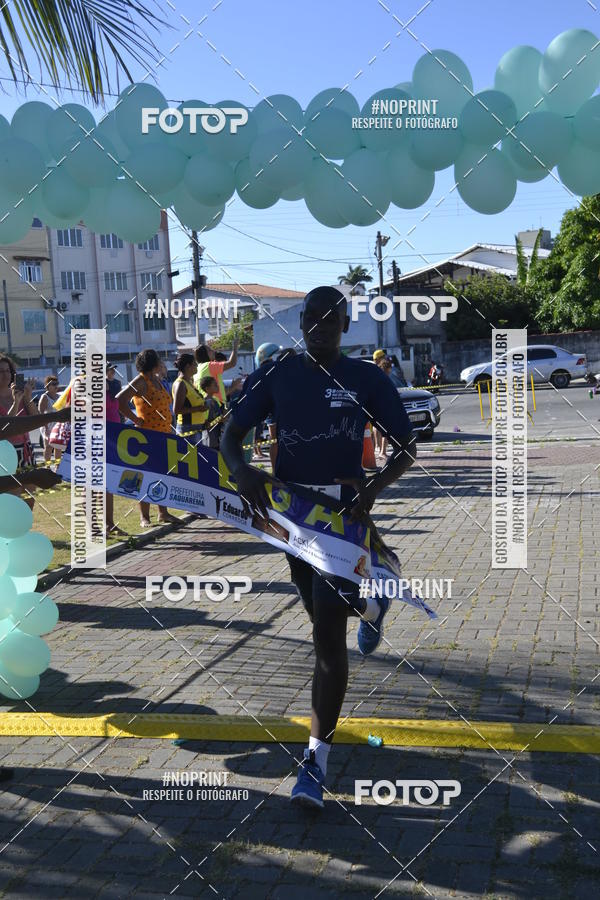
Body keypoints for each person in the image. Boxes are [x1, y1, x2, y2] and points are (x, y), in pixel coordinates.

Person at [221, 285, 416, 809]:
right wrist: (242, 471)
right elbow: (229, 436)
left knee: (327, 636)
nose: (321, 327)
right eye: (312, 318)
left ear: (346, 325)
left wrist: (372, 490)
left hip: (343, 519)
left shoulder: (366, 378)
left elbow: (406, 448)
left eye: (332, 319)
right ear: (301, 321)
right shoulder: (278, 373)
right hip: (290, 520)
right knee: (320, 613)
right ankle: (373, 606)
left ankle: (314, 764)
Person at [117, 349, 179, 528]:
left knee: (162, 475)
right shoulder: (141, 381)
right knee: (144, 476)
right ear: (153, 363)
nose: (161, 362)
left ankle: (163, 512)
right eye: (158, 360)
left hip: (164, 435)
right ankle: (144, 516)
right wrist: (135, 419)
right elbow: (120, 400)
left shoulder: (157, 380)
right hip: (147, 437)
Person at [0, 356, 38, 469]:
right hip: (4, 452)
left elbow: (36, 418)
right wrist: (16, 402)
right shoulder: (17, 396)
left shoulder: (19, 394)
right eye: (1, 371)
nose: (6, 375)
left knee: (31, 481)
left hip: (26, 449)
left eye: (8, 371)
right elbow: (5, 425)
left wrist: (27, 396)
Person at [171, 353, 208, 445]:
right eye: (194, 364)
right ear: (188, 366)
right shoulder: (180, 384)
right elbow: (177, 410)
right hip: (187, 428)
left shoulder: (190, 382)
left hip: (197, 427)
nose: (197, 366)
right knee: (190, 454)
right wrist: (199, 409)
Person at [194, 339, 240, 407]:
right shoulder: (209, 365)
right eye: (210, 350)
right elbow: (232, 363)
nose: (213, 351)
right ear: (204, 354)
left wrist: (233, 387)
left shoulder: (197, 369)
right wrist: (235, 347)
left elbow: (220, 393)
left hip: (207, 406)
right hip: (216, 406)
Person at [38, 375, 61, 462]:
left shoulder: (59, 396)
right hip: (47, 425)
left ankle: (57, 466)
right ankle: (47, 466)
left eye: (57, 384)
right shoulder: (44, 397)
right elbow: (41, 414)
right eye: (53, 384)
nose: (56, 386)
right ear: (48, 386)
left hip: (57, 425)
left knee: (58, 447)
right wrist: (46, 428)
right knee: (48, 447)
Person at [198, 375, 224, 449]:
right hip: (210, 436)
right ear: (207, 389)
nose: (217, 386)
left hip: (217, 433)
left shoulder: (215, 399)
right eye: (214, 385)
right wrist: (219, 419)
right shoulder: (206, 402)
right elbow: (206, 422)